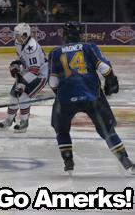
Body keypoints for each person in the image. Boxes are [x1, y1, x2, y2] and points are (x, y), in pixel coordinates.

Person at [48, 21, 135, 175]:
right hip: (92, 97)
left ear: (65, 35)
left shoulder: (55, 52)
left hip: (66, 99)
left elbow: (53, 82)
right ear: (80, 34)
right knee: (107, 130)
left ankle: (68, 160)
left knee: (61, 129)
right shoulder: (89, 47)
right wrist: (111, 81)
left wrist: (59, 95)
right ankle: (125, 160)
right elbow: (104, 68)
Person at [0, 23, 48, 133]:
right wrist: (16, 65)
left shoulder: (32, 47)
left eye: (18, 35)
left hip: (40, 75)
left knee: (23, 95)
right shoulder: (18, 42)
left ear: (25, 35)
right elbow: (21, 58)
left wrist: (22, 84)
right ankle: (9, 119)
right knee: (13, 95)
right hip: (28, 71)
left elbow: (35, 70)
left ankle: (24, 122)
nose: (15, 38)